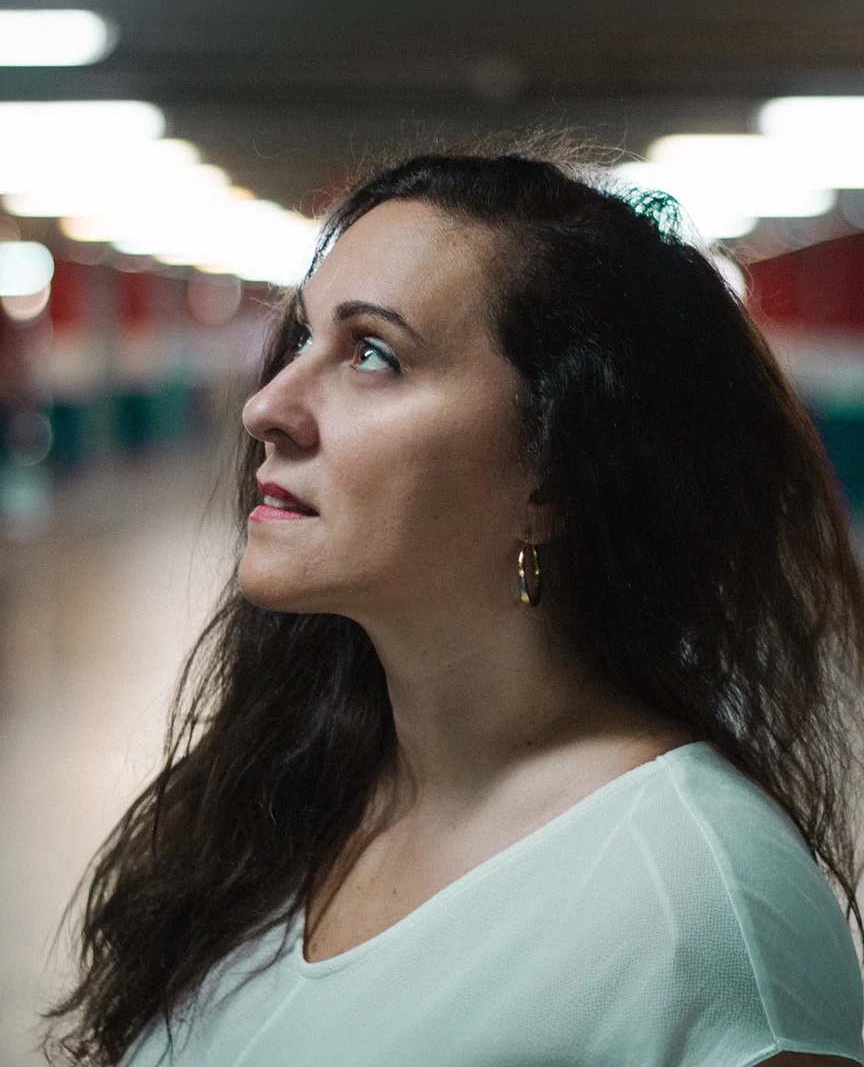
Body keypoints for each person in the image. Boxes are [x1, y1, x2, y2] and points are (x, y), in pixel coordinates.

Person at [39, 129, 864, 1067]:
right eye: (305, 337)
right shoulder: (284, 792)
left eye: (373, 356)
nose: (265, 405)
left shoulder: (701, 912)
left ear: (553, 476)